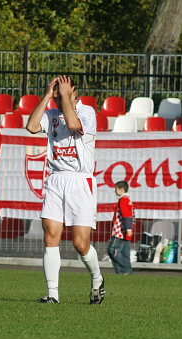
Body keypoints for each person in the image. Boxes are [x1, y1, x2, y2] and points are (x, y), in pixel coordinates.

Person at [26, 75, 105, 305]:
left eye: (63, 90)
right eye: (57, 92)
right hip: (56, 178)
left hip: (80, 181)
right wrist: (47, 96)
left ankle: (97, 278)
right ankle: (53, 294)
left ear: (74, 91)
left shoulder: (87, 111)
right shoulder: (51, 114)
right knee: (51, 236)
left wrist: (65, 97)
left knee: (80, 244)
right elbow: (31, 126)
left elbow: (73, 125)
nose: (59, 96)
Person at [108, 181, 135, 275]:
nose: (115, 192)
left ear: (122, 189)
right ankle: (123, 272)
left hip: (120, 232)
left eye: (116, 190)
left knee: (112, 250)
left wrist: (128, 229)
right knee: (124, 252)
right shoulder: (126, 200)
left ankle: (125, 270)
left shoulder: (124, 200)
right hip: (122, 232)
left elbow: (127, 216)